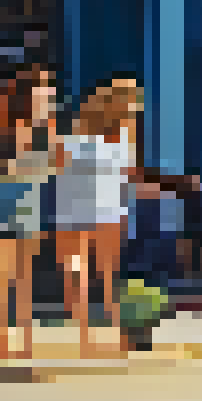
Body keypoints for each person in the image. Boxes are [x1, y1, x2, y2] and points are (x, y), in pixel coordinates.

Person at [53, 78, 143, 358]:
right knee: (107, 276)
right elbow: (127, 177)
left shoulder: (71, 139)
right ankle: (116, 337)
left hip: (75, 211)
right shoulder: (124, 137)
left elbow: (59, 172)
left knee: (79, 274)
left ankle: (85, 339)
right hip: (107, 210)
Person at [0, 68, 57, 360]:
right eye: (44, 90)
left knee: (20, 278)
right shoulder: (10, 132)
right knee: (8, 278)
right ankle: (7, 343)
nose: (48, 96)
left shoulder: (38, 130)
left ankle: (21, 343)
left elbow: (48, 170)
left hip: (24, 206)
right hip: (11, 205)